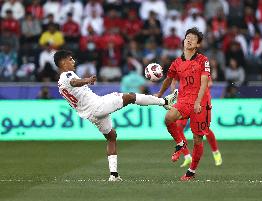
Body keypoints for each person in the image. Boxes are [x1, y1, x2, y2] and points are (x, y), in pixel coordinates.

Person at [54, 50, 177, 182]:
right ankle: (164, 101)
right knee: (130, 96)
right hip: (97, 106)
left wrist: (83, 81)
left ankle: (114, 175)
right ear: (62, 62)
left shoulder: (60, 84)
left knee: (111, 137)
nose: (73, 61)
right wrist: (87, 80)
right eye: (70, 59)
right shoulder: (66, 75)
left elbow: (73, 85)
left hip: (90, 114)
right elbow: (74, 82)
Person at [155, 27, 213, 181]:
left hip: (201, 102)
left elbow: (204, 82)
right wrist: (160, 94)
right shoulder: (177, 62)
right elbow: (168, 79)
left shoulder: (203, 60)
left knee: (198, 139)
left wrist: (198, 101)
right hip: (184, 100)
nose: (189, 39)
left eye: (193, 38)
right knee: (168, 118)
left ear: (198, 44)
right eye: (188, 37)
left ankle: (191, 172)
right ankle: (181, 143)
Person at [169, 79, 222, 168]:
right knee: (178, 128)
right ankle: (187, 156)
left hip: (199, 102)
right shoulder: (181, 67)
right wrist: (174, 92)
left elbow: (210, 83)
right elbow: (174, 81)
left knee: (204, 129)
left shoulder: (201, 68)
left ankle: (216, 152)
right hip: (185, 102)